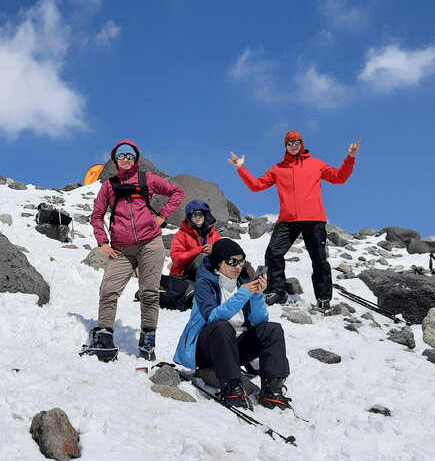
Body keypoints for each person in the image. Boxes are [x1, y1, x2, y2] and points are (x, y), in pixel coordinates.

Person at [230, 131, 360, 309]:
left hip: (313, 218)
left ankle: (323, 299)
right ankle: (277, 291)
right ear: (285, 146)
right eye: (289, 143)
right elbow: (256, 186)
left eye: (296, 142)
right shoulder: (278, 168)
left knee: (319, 258)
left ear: (302, 143)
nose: (293, 145)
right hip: (288, 219)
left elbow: (339, 178)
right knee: (273, 253)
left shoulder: (316, 164)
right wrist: (240, 168)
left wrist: (350, 158)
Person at [87, 141, 185, 362]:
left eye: (130, 156)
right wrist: (103, 242)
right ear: (115, 159)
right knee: (108, 289)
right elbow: (97, 215)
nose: (125, 160)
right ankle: (104, 334)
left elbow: (177, 192)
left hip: (150, 243)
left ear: (136, 158)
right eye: (121, 156)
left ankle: (148, 338)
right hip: (121, 248)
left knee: (149, 293)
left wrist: (162, 216)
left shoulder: (147, 179)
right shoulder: (109, 186)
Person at [173, 240, 290, 410]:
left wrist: (257, 295)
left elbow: (259, 322)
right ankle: (230, 387)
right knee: (222, 326)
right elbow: (213, 317)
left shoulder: (243, 284)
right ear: (218, 263)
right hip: (208, 346)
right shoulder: (204, 283)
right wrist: (244, 294)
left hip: (233, 348)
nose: (237, 267)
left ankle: (272, 391)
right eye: (231, 262)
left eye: (241, 261)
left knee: (272, 329)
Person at [169, 199, 222, 280]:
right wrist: (200, 250)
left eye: (200, 214)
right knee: (203, 257)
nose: (198, 217)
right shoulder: (181, 234)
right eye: (194, 214)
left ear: (205, 215)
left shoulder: (216, 236)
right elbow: (177, 260)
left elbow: (224, 256)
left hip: (211, 272)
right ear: (189, 217)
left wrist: (213, 252)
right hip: (184, 274)